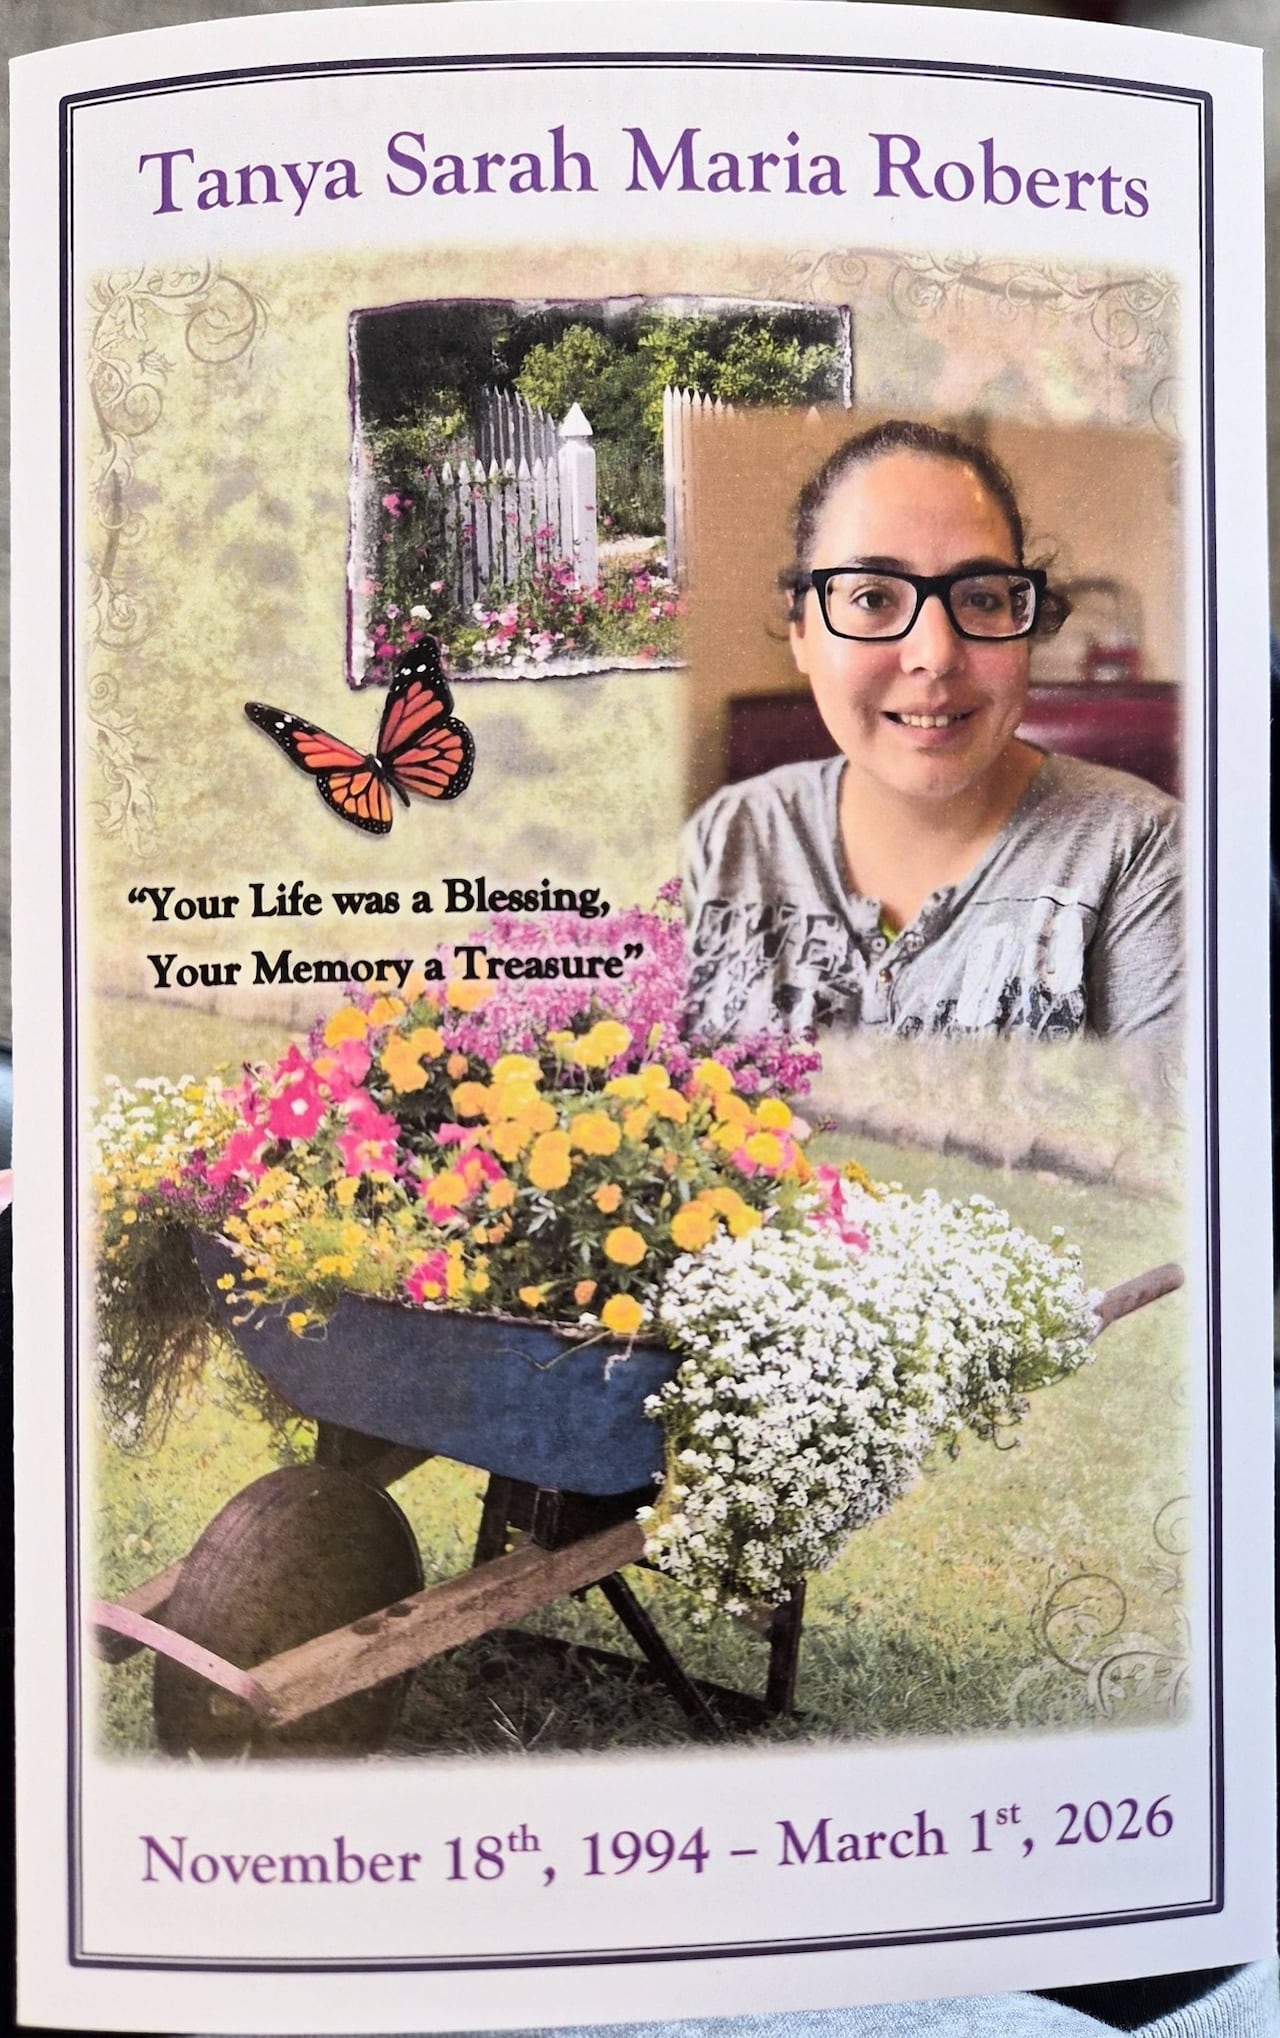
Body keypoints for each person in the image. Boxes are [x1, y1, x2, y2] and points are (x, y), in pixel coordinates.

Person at [682, 419, 1182, 1042]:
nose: (936, 655)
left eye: (981, 599)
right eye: (871, 598)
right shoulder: (725, 842)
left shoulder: (1143, 858)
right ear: (801, 632)